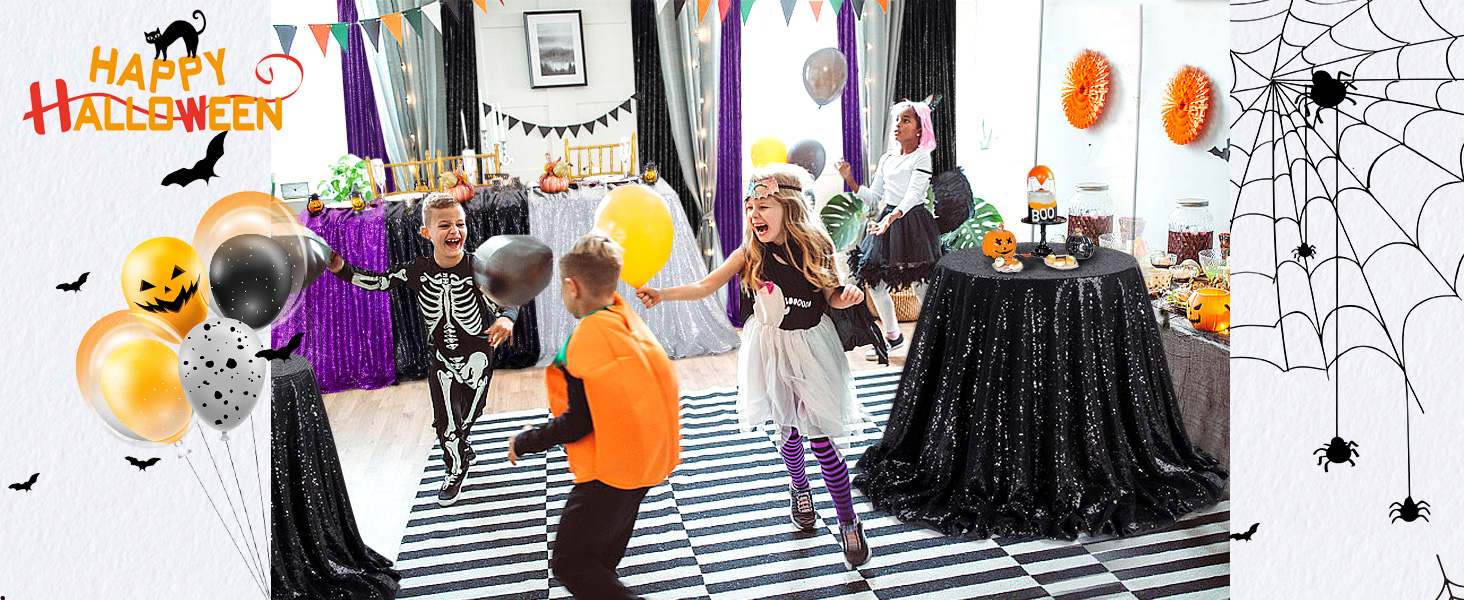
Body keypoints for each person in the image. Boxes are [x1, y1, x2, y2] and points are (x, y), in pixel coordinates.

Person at [636, 164, 873, 566]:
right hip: (770, 349)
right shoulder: (750, 252)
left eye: (764, 205)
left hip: (811, 349)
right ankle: (799, 489)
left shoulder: (815, 246)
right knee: (787, 429)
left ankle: (848, 519)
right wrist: (663, 293)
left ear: (790, 207)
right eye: (750, 207)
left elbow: (832, 294)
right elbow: (706, 285)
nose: (754, 214)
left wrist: (846, 297)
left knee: (820, 438)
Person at [507, 232, 681, 599]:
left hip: (614, 472)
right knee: (602, 553)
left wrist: (525, 441)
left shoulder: (585, 341)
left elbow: (577, 422)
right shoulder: (625, 319)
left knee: (572, 564)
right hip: (647, 460)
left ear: (572, 287)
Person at [327, 193, 517, 506]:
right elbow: (379, 282)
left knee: (471, 412)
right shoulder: (417, 271)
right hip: (440, 358)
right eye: (444, 225)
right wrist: (341, 268)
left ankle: (461, 439)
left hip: (478, 356)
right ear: (426, 233)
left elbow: (509, 296)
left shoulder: (480, 269)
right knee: (446, 422)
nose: (454, 231)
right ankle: (455, 467)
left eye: (459, 224)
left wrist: (508, 319)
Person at [836, 98, 943, 360]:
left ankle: (939, 339)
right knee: (875, 282)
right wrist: (849, 179)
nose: (898, 125)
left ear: (920, 129)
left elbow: (912, 196)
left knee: (921, 286)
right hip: (889, 221)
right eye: (897, 119)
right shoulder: (887, 158)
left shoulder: (922, 158)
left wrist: (890, 219)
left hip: (913, 223)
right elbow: (874, 197)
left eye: (906, 120)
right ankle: (893, 337)